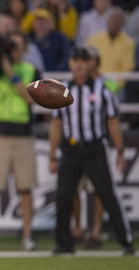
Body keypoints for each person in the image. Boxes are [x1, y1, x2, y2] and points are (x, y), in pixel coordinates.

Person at [48, 47, 134, 255]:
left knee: (108, 195)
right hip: (70, 150)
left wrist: (120, 151)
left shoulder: (102, 89)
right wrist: (52, 155)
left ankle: (126, 242)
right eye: (75, 60)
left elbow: (112, 122)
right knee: (64, 196)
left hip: (95, 148)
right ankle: (64, 244)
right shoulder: (62, 91)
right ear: (70, 64)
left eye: (83, 60)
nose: (79, 64)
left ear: (90, 64)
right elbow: (56, 125)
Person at [0, 31, 39, 251]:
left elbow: (30, 99)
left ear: (23, 48)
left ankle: (27, 237)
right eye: (11, 46)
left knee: (26, 188)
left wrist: (11, 73)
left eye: (18, 45)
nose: (14, 50)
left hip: (23, 134)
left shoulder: (30, 70)